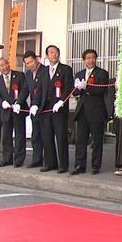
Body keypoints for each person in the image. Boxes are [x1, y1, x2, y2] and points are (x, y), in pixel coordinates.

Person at [71, 49, 109, 175]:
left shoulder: (102, 73)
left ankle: (95, 166)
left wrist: (87, 87)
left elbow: (101, 91)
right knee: (80, 140)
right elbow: (75, 92)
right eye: (88, 58)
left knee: (97, 140)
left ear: (96, 59)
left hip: (96, 110)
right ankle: (79, 165)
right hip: (82, 110)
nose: (90, 60)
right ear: (83, 60)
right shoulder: (79, 73)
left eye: (93, 57)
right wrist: (78, 88)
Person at [40, 45, 74, 174]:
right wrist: (36, 104)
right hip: (46, 109)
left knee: (60, 137)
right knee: (47, 137)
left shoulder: (65, 69)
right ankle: (50, 163)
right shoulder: (43, 71)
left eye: (54, 52)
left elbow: (69, 87)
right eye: (50, 52)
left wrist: (62, 101)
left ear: (58, 54)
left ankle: (63, 165)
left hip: (59, 108)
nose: (52, 54)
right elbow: (40, 90)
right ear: (47, 56)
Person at [0, 57, 29, 167]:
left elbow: (25, 90)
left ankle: (19, 159)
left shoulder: (19, 75)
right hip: (6, 111)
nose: (4, 67)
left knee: (20, 135)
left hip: (18, 110)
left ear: (8, 64)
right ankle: (6, 158)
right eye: (1, 66)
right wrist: (2, 103)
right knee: (6, 136)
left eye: (5, 64)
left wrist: (19, 102)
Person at [23, 51, 47, 168]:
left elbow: (43, 91)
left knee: (46, 135)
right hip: (34, 108)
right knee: (35, 135)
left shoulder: (45, 71)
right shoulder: (28, 74)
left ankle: (48, 161)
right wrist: (18, 103)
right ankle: (37, 159)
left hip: (44, 107)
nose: (30, 65)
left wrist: (37, 104)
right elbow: (25, 90)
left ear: (36, 59)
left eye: (31, 61)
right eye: (27, 63)